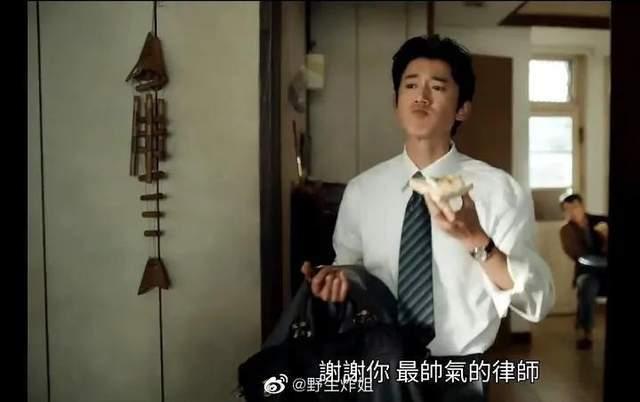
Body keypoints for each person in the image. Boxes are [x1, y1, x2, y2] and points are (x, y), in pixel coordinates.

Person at [301, 34, 555, 401]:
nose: (421, 96)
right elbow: (352, 275)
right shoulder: (362, 191)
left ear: (462, 109)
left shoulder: (499, 190)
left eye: (437, 87)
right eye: (410, 85)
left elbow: (537, 301)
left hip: (459, 377)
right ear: (396, 103)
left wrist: (476, 240)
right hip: (378, 371)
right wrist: (334, 282)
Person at [559, 193, 608, 350]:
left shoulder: (601, 221)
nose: (573, 212)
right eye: (568, 210)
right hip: (587, 270)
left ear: (582, 206)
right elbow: (578, 255)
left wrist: (605, 237)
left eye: (575, 207)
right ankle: (587, 333)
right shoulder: (566, 231)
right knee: (588, 285)